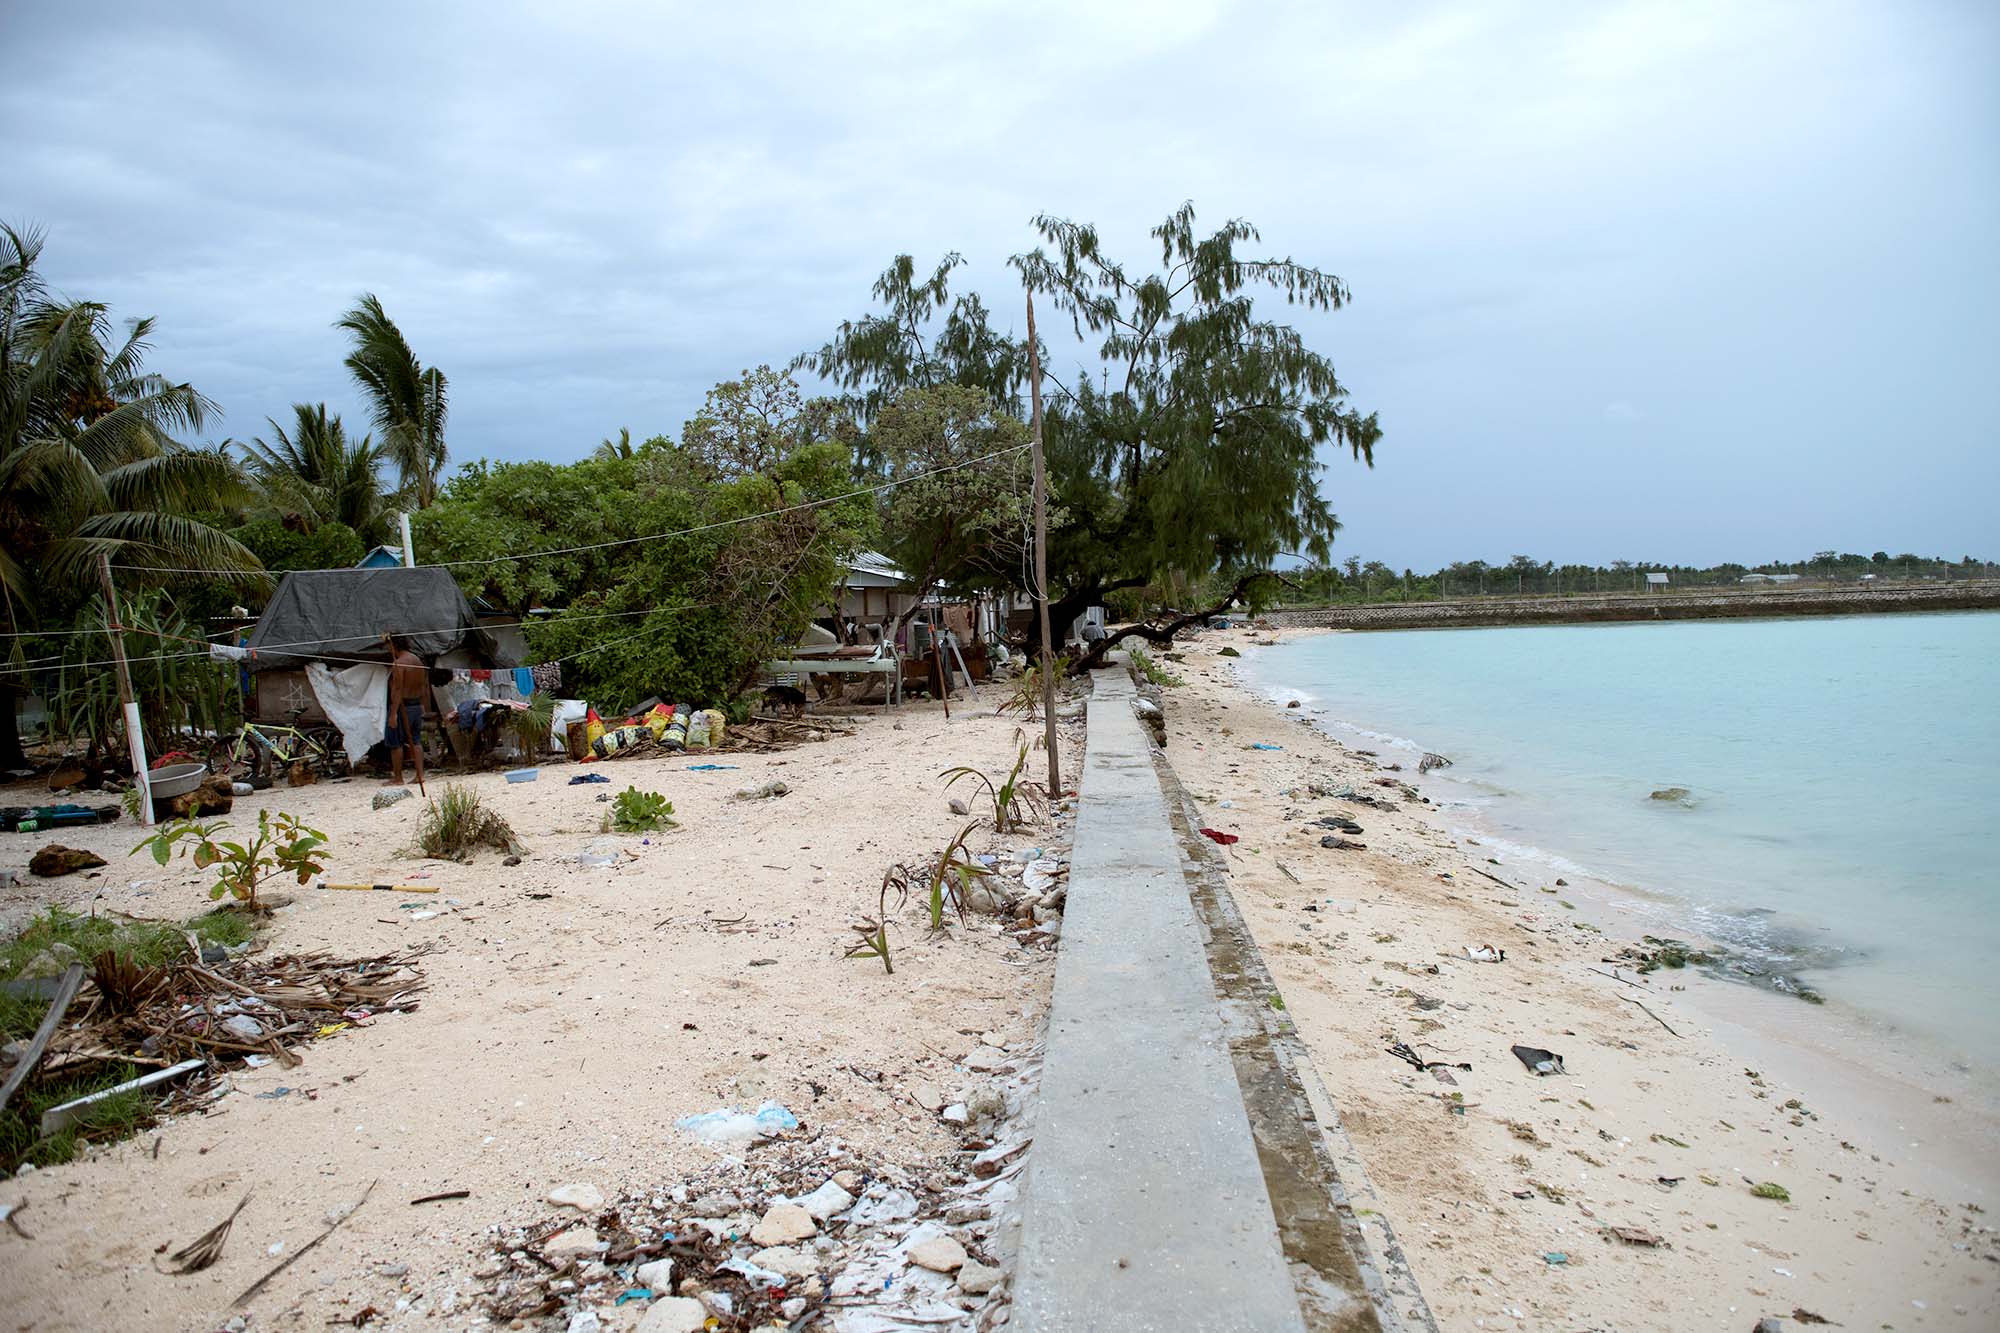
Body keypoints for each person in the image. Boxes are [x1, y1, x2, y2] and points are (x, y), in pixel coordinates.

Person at [382, 634, 428, 787]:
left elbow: (397, 690)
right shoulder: (417, 660)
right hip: (416, 705)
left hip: (403, 706)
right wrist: (422, 703)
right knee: (415, 740)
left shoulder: (399, 664)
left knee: (396, 742)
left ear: (393, 645)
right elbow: (423, 685)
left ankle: (398, 777)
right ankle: (420, 775)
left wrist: (393, 714)